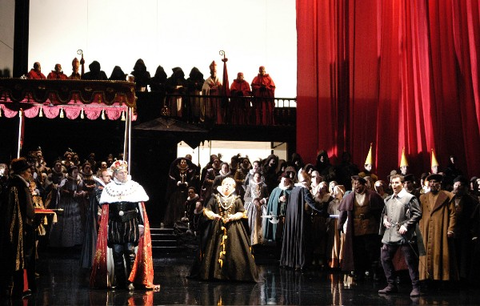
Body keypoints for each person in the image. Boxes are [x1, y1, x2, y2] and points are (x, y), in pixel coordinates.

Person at [90, 160, 159, 291]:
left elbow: (139, 208)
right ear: (115, 174)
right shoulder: (109, 189)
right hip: (115, 224)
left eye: (126, 172)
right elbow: (106, 210)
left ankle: (130, 281)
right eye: (121, 173)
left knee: (129, 251)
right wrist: (107, 226)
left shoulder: (135, 187)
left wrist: (141, 225)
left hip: (131, 224)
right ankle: (120, 282)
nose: (124, 174)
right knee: (117, 252)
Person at [189, 177, 258, 281]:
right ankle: (214, 273)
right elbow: (207, 210)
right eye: (226, 184)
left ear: (233, 188)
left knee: (235, 250)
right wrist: (214, 216)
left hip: (233, 228)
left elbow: (242, 212)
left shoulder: (236, 199)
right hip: (216, 227)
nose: (227, 186)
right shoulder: (215, 198)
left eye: (230, 185)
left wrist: (233, 217)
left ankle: (235, 273)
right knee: (212, 250)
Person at [378, 174, 423, 297]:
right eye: (392, 183)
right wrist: (385, 220)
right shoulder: (388, 199)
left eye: (397, 183)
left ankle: (416, 287)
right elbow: (385, 214)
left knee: (410, 261)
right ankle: (391, 284)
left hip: (405, 234)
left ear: (402, 184)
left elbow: (417, 213)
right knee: (385, 257)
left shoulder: (409, 198)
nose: (394, 185)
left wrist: (406, 225)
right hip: (391, 233)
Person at [0, 158, 36, 299]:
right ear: (22, 172)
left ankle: (7, 287)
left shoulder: (9, 184)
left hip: (7, 227)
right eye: (28, 171)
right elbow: (29, 211)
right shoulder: (21, 186)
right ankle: (17, 289)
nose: (30, 173)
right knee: (19, 258)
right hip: (19, 228)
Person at [337, 175, 384, 281]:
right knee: (358, 252)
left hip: (370, 228)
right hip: (356, 228)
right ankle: (359, 273)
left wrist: (381, 228)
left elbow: (379, 213)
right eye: (354, 184)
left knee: (371, 251)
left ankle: (374, 272)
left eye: (358, 184)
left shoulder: (372, 196)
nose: (356, 186)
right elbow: (343, 213)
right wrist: (340, 225)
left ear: (364, 185)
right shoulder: (349, 197)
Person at [280, 170, 328, 270]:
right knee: (301, 240)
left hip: (292, 221)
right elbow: (312, 204)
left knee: (293, 240)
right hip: (300, 221)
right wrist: (323, 212)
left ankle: (290, 262)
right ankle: (300, 262)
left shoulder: (293, 190)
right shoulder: (304, 190)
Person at [418, 173, 458, 289]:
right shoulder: (422, 197)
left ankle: (441, 280)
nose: (433, 184)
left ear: (440, 183)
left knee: (441, 252)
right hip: (425, 229)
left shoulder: (447, 196)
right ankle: (426, 279)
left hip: (441, 228)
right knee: (425, 254)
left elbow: (453, 214)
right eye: (430, 182)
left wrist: (451, 229)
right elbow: (419, 214)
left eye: (435, 182)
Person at [79, 168, 111, 270]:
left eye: (109, 176)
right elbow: (101, 203)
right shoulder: (99, 188)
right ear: (101, 177)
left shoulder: (101, 187)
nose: (109, 178)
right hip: (98, 217)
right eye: (107, 176)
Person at [49, 165, 86, 248]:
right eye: (74, 172)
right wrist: (71, 193)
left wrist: (81, 193)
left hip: (75, 203)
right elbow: (61, 190)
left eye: (77, 172)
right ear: (70, 172)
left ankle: (75, 241)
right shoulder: (65, 180)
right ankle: (64, 242)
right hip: (66, 203)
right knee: (65, 222)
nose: (76, 174)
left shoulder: (79, 180)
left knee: (75, 221)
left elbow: (82, 188)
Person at [450, 175, 478, 283]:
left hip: (465, 232)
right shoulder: (449, 198)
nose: (457, 187)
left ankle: (463, 277)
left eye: (460, 185)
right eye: (456, 185)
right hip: (451, 231)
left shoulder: (471, 200)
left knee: (464, 255)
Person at [263, 173, 293, 244]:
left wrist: (288, 199)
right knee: (277, 234)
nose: (284, 182)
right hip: (278, 216)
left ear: (289, 181)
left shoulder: (292, 190)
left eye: (286, 181)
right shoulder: (275, 190)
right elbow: (271, 202)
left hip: (288, 217)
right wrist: (278, 199)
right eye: (283, 180)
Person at [243, 171, 269, 246]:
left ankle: (261, 240)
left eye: (258, 177)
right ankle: (253, 240)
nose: (257, 178)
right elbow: (245, 197)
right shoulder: (250, 186)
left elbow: (267, 196)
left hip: (261, 206)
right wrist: (253, 200)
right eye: (256, 177)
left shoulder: (264, 186)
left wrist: (263, 200)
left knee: (261, 222)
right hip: (252, 207)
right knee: (252, 223)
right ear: (253, 177)